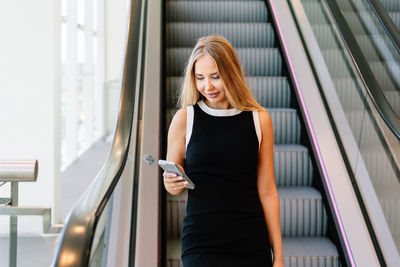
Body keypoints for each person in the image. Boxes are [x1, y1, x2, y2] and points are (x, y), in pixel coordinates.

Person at [163, 35, 284, 267]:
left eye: (215, 77)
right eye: (200, 78)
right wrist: (171, 183)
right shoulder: (185, 119)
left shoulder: (260, 120)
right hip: (201, 243)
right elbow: (172, 182)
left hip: (250, 241)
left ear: (232, 73)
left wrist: (278, 257)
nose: (207, 86)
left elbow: (268, 191)